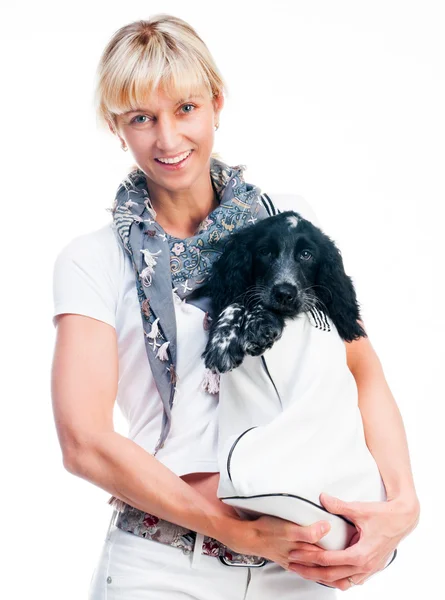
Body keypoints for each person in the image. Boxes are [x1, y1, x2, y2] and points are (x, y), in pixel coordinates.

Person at [51, 14, 420, 599]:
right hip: (163, 565)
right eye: (142, 118)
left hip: (299, 565)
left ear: (217, 103)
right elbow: (84, 440)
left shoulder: (288, 222)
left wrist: (401, 507)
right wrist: (231, 531)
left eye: (186, 109)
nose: (168, 140)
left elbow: (360, 369)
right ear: (116, 126)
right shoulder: (92, 261)